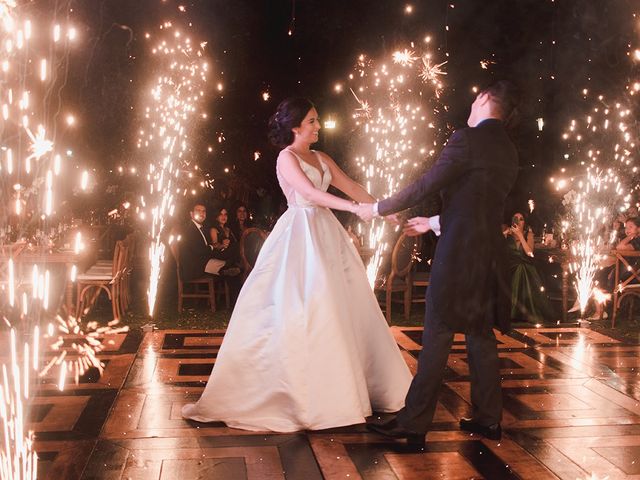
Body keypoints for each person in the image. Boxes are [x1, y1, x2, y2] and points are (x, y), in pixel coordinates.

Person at [182, 97, 411, 432]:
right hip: (300, 234)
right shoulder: (286, 158)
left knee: (343, 305)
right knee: (306, 305)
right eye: (313, 121)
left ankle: (355, 385)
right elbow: (310, 194)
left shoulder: (322, 157)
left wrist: (379, 209)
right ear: (295, 127)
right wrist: (353, 209)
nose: (319, 126)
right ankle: (306, 395)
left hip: (326, 233)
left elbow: (351, 186)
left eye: (317, 120)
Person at [357, 80, 520, 449]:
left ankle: (413, 425)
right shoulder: (508, 150)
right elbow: (476, 207)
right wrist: (431, 223)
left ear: (482, 100)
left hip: (459, 256)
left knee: (438, 332)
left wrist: (379, 207)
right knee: (480, 336)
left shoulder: (466, 140)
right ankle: (488, 419)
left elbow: (426, 184)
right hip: (490, 256)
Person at [506, 212, 553, 323]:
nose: (518, 221)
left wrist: (520, 236)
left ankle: (522, 313)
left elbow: (530, 253)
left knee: (521, 270)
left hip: (526, 268)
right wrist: (504, 233)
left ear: (524, 222)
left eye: (521, 219)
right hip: (510, 268)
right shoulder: (508, 234)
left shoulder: (528, 234)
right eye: (515, 218)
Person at [178, 202, 240, 281]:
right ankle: (228, 268)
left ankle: (229, 268)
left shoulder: (201, 228)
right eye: (198, 211)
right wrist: (213, 246)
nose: (201, 213)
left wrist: (219, 246)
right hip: (195, 267)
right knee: (232, 264)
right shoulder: (189, 229)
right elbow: (198, 250)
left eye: (204, 211)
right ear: (191, 214)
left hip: (204, 260)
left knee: (232, 263)